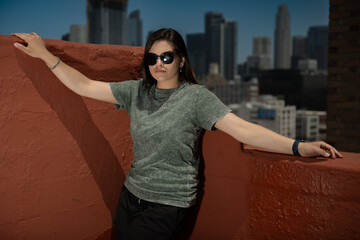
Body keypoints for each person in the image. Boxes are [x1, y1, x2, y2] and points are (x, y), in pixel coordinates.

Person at [12, 28, 342, 240]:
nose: (159, 63)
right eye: (152, 57)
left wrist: (299, 147)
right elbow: (83, 85)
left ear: (180, 60)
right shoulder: (135, 92)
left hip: (168, 206)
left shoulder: (195, 98)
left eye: (166, 57)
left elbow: (243, 129)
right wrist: (44, 54)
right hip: (130, 197)